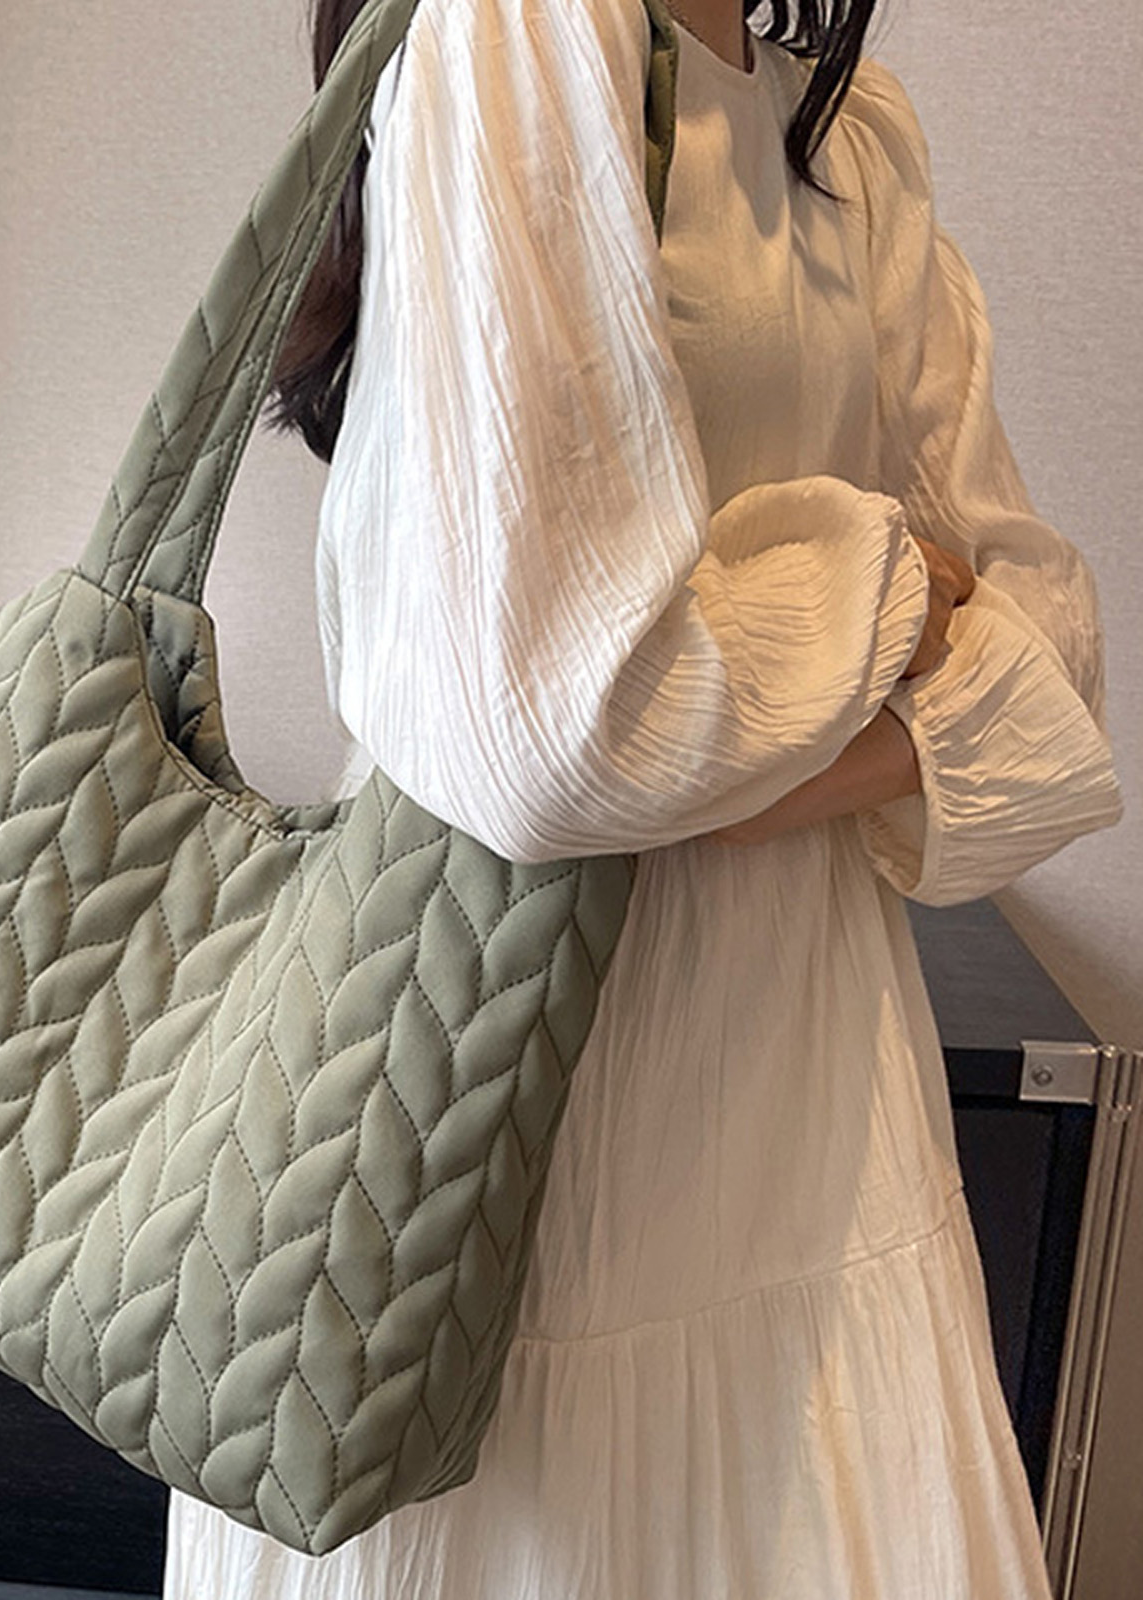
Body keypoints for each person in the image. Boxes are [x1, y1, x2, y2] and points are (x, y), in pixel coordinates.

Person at [165, 0, 1124, 1594]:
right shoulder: (516, 28)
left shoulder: (844, 131)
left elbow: (1051, 660)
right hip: (514, 1134)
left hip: (821, 1113)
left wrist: (740, 753)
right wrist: (895, 585)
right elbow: (552, 732)